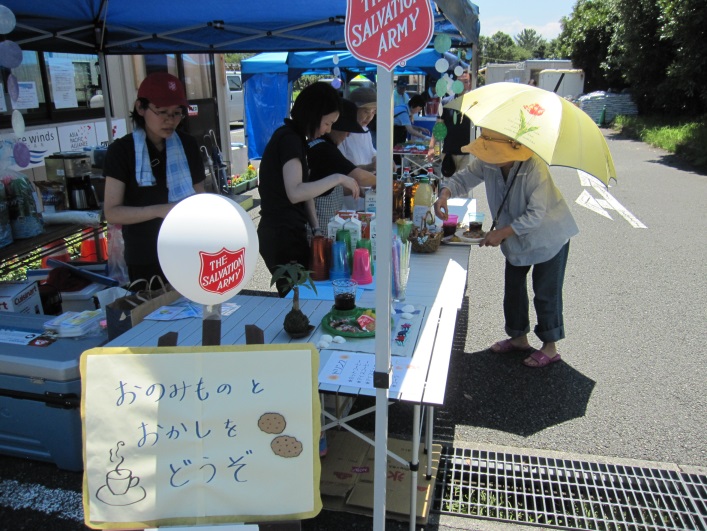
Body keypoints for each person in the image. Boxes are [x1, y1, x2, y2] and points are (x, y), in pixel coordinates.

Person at [433, 128, 579, 368]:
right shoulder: (488, 162)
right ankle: (518, 336)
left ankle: (550, 347)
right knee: (513, 287)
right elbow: (464, 178)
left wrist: (501, 233)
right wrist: (445, 193)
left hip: (549, 235)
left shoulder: (534, 167)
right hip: (513, 234)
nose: (489, 157)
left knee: (545, 292)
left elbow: (535, 215)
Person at [257, 82, 360, 297]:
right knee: (300, 297)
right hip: (281, 237)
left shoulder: (296, 139)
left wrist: (316, 230)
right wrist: (338, 178)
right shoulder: (289, 140)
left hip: (291, 232)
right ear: (314, 115)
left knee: (307, 294)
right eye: (327, 123)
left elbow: (306, 192)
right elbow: (296, 192)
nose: (328, 130)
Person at [103, 72, 205, 284]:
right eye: (161, 112)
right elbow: (112, 213)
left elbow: (200, 196)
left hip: (188, 248)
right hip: (144, 255)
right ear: (141, 108)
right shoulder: (122, 151)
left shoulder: (187, 145)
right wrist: (160, 210)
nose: (170, 120)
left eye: (177, 113)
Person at [308, 98, 376, 226]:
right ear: (335, 128)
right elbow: (359, 176)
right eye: (347, 130)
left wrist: (356, 190)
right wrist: (383, 183)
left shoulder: (323, 146)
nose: (348, 135)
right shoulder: (324, 149)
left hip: (327, 222)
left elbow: (329, 187)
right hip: (320, 225)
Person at [428, 72, 473, 176]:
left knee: (464, 188)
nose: (462, 85)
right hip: (449, 153)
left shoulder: (474, 102)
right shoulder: (446, 102)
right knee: (448, 187)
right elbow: (439, 127)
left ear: (470, 84)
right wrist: (431, 147)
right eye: (459, 82)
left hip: (468, 154)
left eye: (465, 82)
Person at [339, 87, 377, 173]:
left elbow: (372, 152)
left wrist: (378, 159)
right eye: (366, 112)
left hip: (367, 185)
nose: (370, 117)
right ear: (352, 110)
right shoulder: (341, 134)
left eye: (373, 112)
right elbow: (340, 168)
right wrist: (368, 167)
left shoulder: (365, 131)